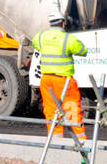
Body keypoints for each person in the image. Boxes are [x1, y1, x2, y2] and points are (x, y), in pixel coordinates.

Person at [33, 13, 88, 144]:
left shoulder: (41, 36)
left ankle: (56, 141)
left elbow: (35, 43)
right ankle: (81, 143)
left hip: (47, 80)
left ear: (50, 24)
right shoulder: (68, 39)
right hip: (64, 81)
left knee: (51, 111)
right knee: (72, 110)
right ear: (63, 24)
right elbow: (83, 51)